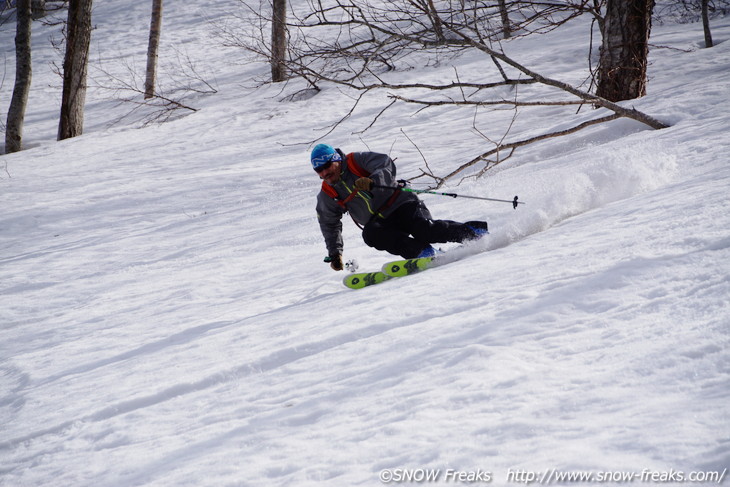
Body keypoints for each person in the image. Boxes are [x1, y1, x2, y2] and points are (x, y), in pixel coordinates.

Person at [312, 144, 489, 271]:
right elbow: (329, 223)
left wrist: (373, 181)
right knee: (370, 234)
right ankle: (424, 253)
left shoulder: (356, 161)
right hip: (381, 220)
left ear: (335, 159)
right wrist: (335, 253)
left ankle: (475, 233)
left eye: (326, 166)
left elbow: (385, 165)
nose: (324, 173)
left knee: (424, 230)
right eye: (318, 170)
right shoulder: (327, 193)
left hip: (401, 203)